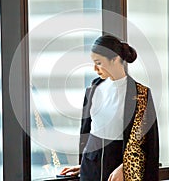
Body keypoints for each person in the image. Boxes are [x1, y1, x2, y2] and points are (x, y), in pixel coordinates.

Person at [60, 35, 159, 181]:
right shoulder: (94, 88)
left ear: (115, 59)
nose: (94, 68)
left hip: (119, 164)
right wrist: (83, 163)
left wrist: (125, 167)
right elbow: (87, 130)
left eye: (99, 63)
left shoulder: (141, 94)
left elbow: (146, 141)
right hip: (91, 165)